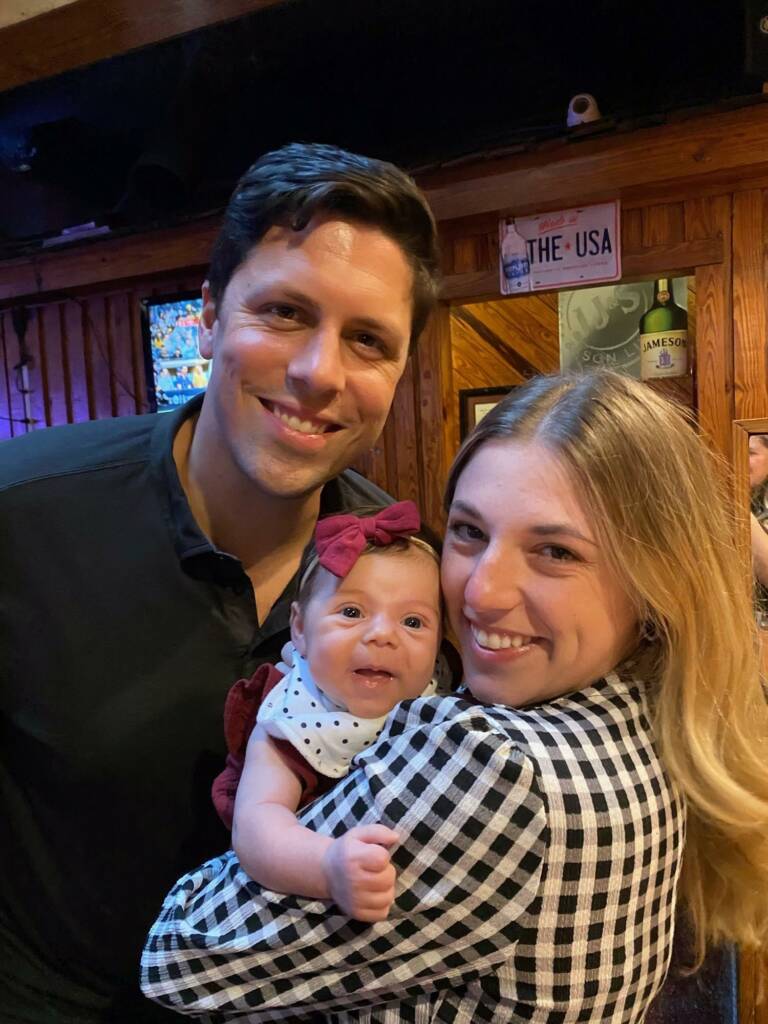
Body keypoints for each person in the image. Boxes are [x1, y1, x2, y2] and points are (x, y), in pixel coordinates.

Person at [142, 371, 768, 1024]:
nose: (481, 593)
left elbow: (180, 961)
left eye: (554, 551)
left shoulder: (494, 764)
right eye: (469, 533)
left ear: (655, 581)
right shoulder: (649, 714)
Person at [0, 143, 440, 1024]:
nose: (321, 370)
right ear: (206, 316)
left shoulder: (410, 579)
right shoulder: (25, 513)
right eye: (283, 311)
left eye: (368, 341)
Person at [215, 501, 442, 922]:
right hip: (302, 906)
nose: (382, 635)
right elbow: (256, 825)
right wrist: (327, 866)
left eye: (413, 622)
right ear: (299, 628)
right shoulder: (291, 719)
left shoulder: (435, 709)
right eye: (352, 612)